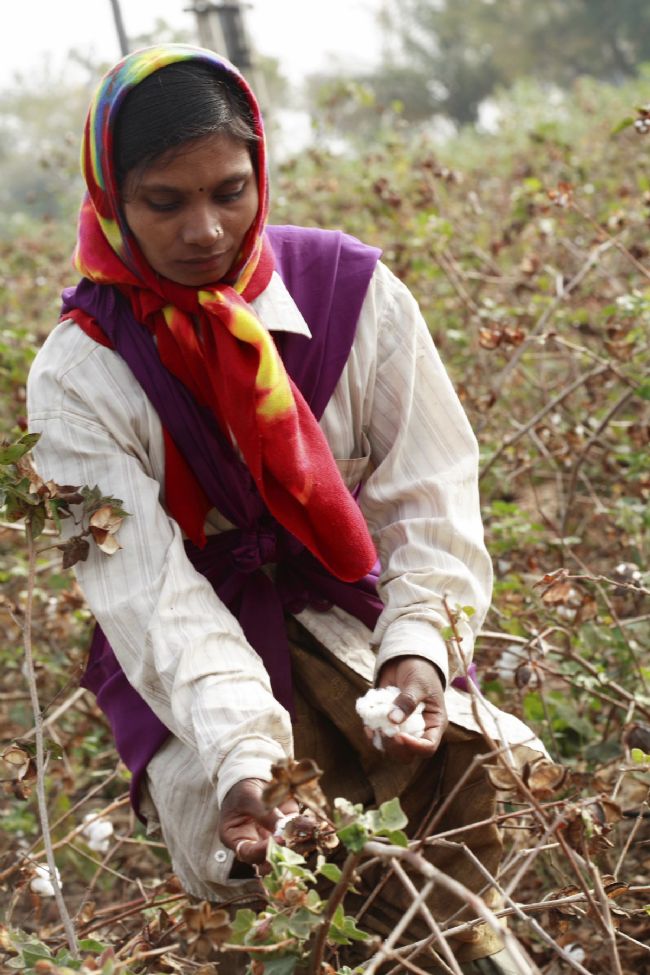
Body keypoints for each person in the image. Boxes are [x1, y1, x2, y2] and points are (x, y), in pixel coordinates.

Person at [27, 44, 544, 973]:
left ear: (260, 166)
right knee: (273, 887)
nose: (206, 229)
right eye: (165, 201)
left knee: (457, 850)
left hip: (355, 613)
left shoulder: (352, 296)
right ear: (111, 195)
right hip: (195, 659)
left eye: (230, 190)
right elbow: (145, 594)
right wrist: (241, 751)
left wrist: (420, 646)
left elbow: (429, 493)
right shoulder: (78, 376)